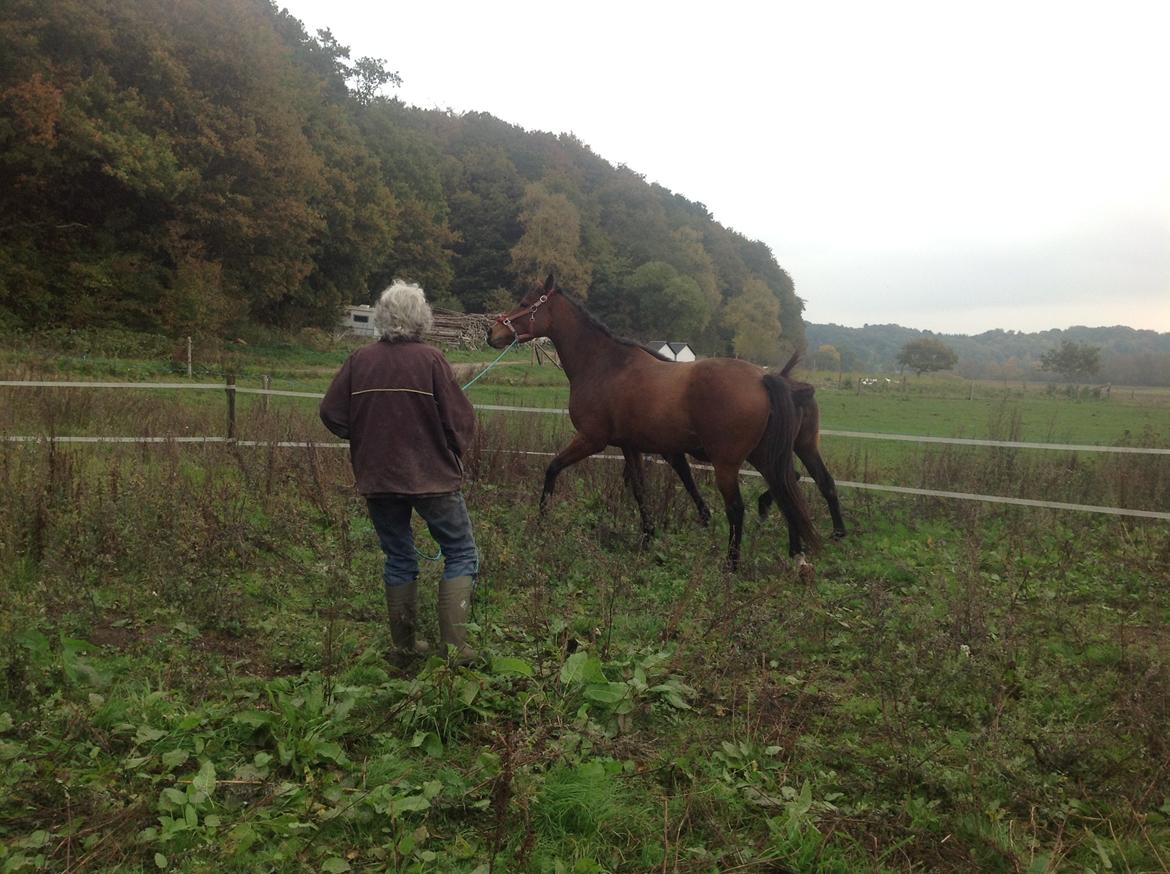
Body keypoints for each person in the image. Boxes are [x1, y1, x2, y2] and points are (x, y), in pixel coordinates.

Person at [320, 281, 480, 666]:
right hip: (432, 478)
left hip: (379, 478)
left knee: (398, 557)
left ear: (383, 317)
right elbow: (462, 421)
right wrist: (455, 449)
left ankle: (405, 651)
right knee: (461, 552)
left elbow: (331, 413)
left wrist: (363, 437)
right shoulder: (432, 360)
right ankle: (457, 652)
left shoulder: (360, 360)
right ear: (421, 318)